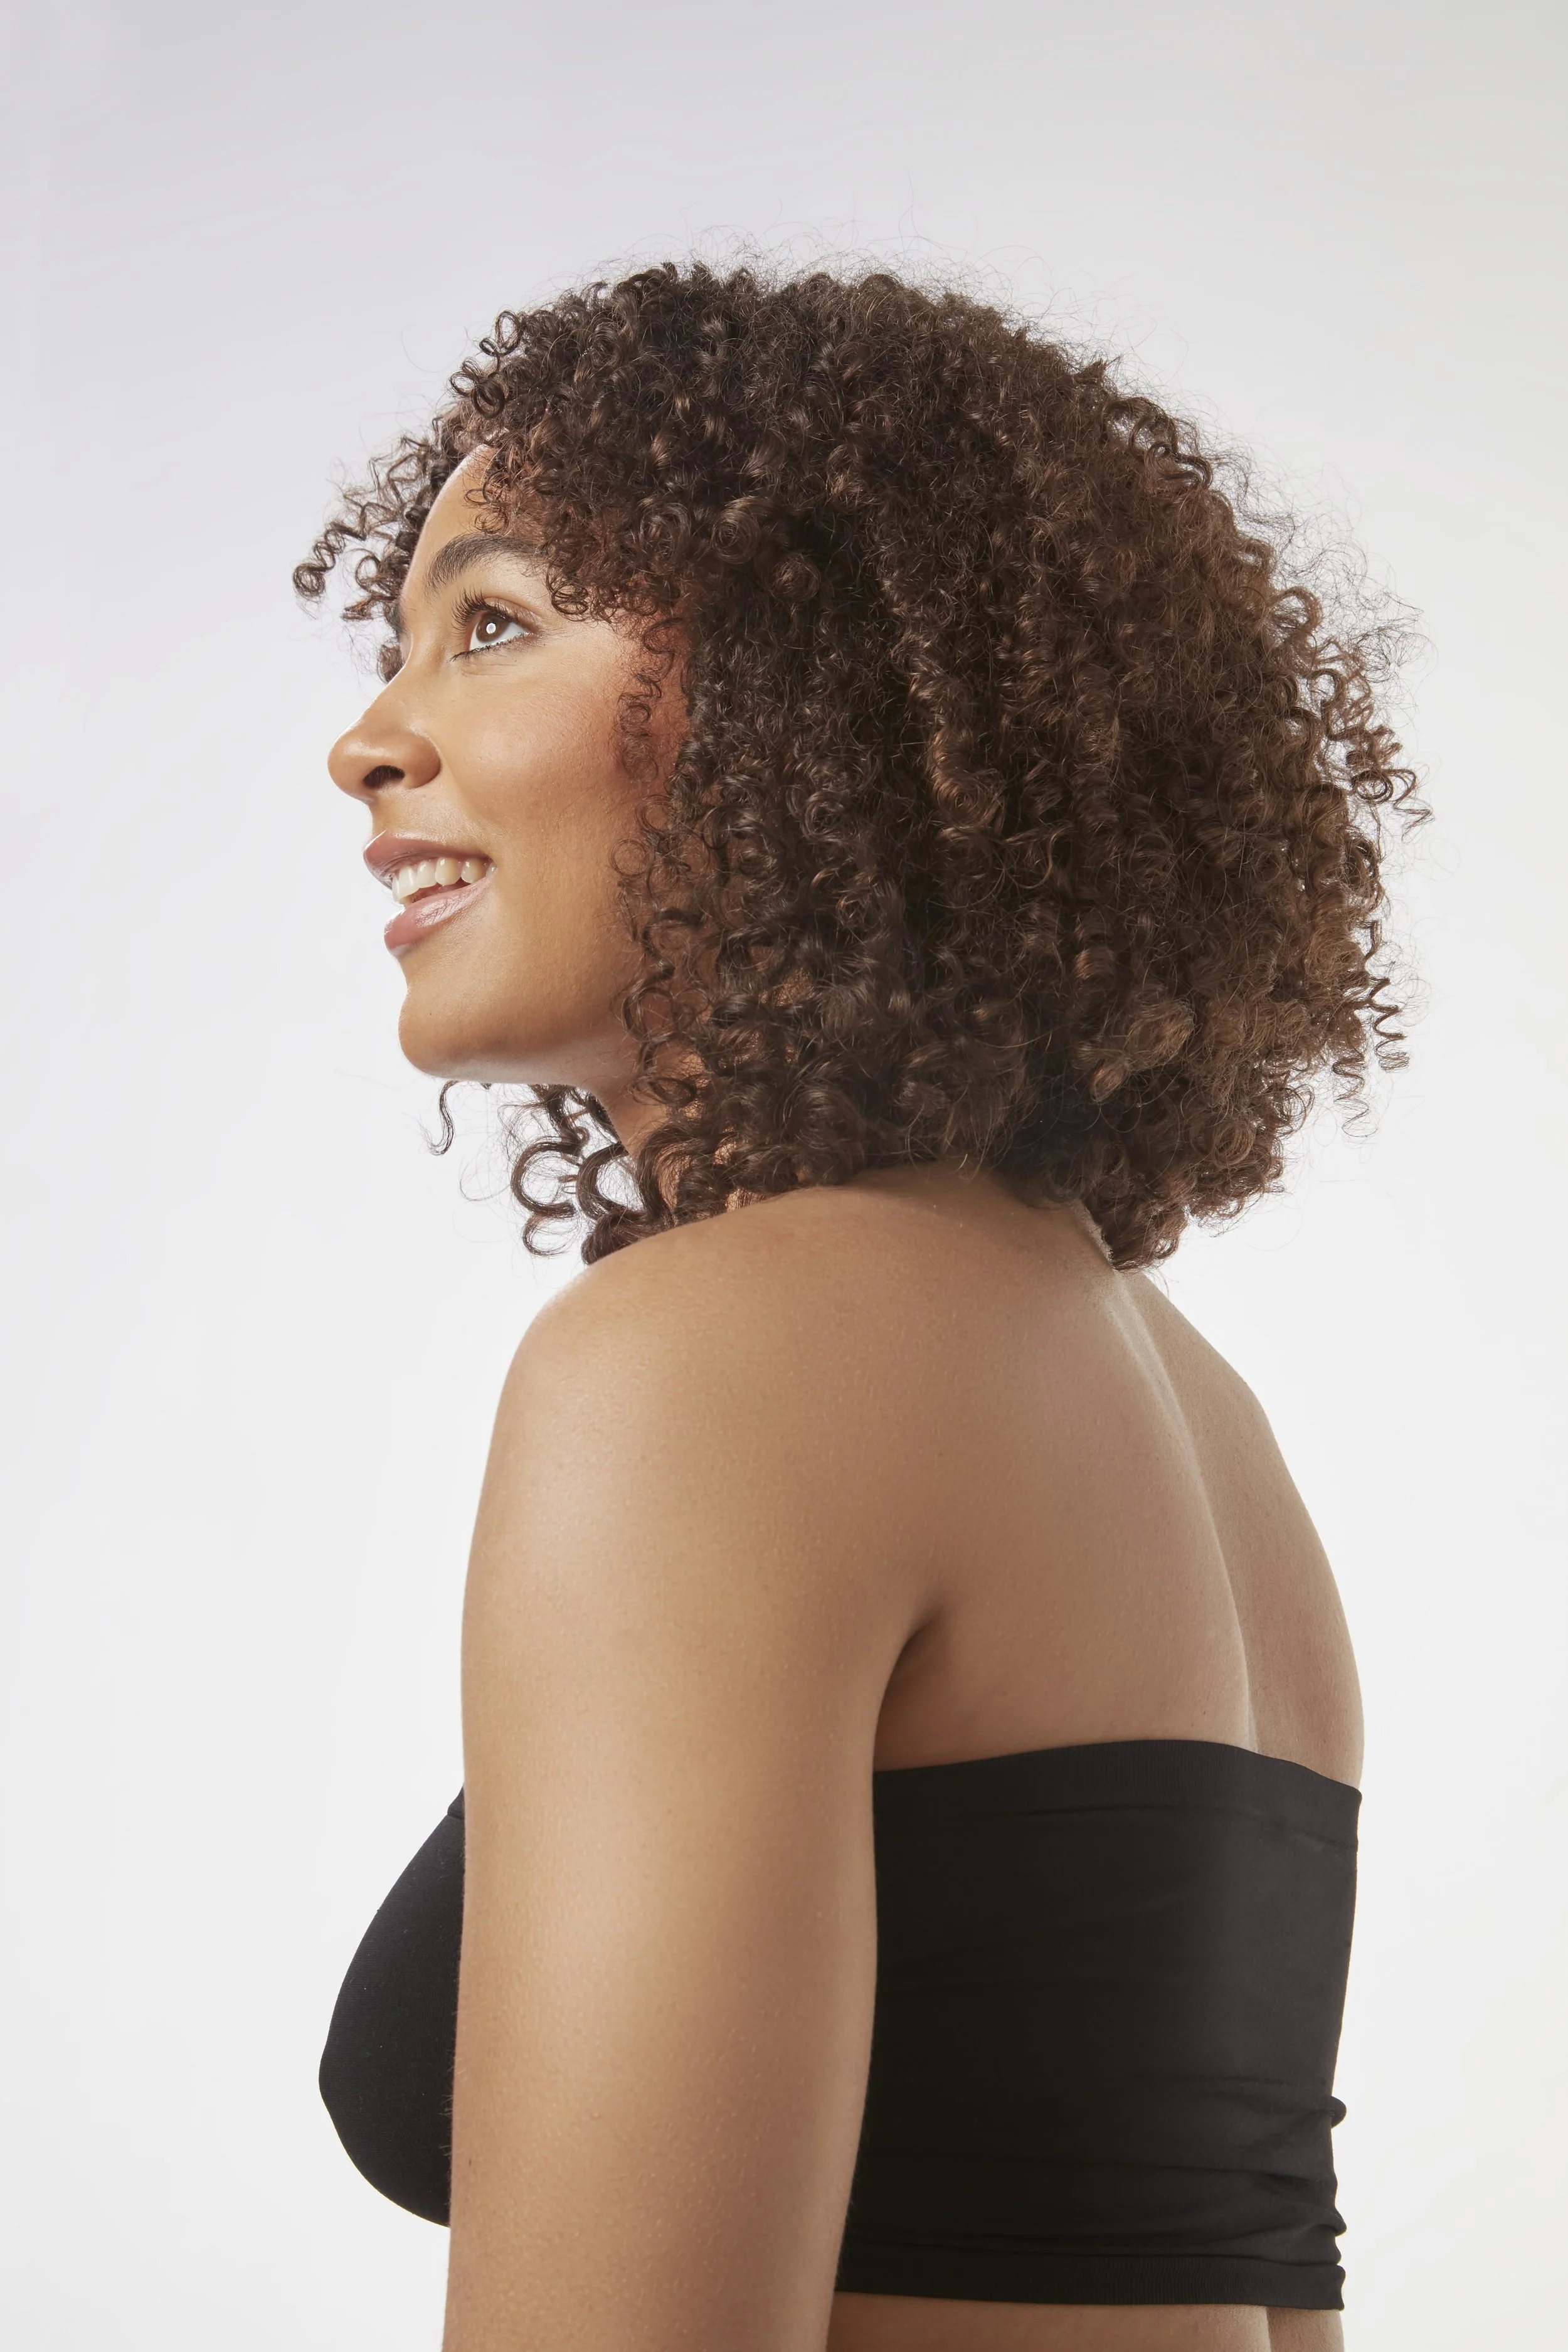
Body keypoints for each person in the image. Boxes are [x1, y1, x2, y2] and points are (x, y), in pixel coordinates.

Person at [302, 261, 1416, 2352]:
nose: (370, 740)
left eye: (496, 624)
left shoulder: (709, 1363)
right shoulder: (1184, 1405)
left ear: (794, 696)